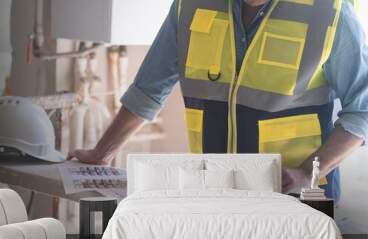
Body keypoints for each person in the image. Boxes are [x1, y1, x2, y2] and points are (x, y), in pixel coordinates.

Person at [68, 0, 368, 202]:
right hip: (215, 192)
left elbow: (362, 111)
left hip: (297, 198)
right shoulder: (191, 6)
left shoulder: (329, 11)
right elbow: (148, 89)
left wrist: (307, 172)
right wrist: (101, 154)